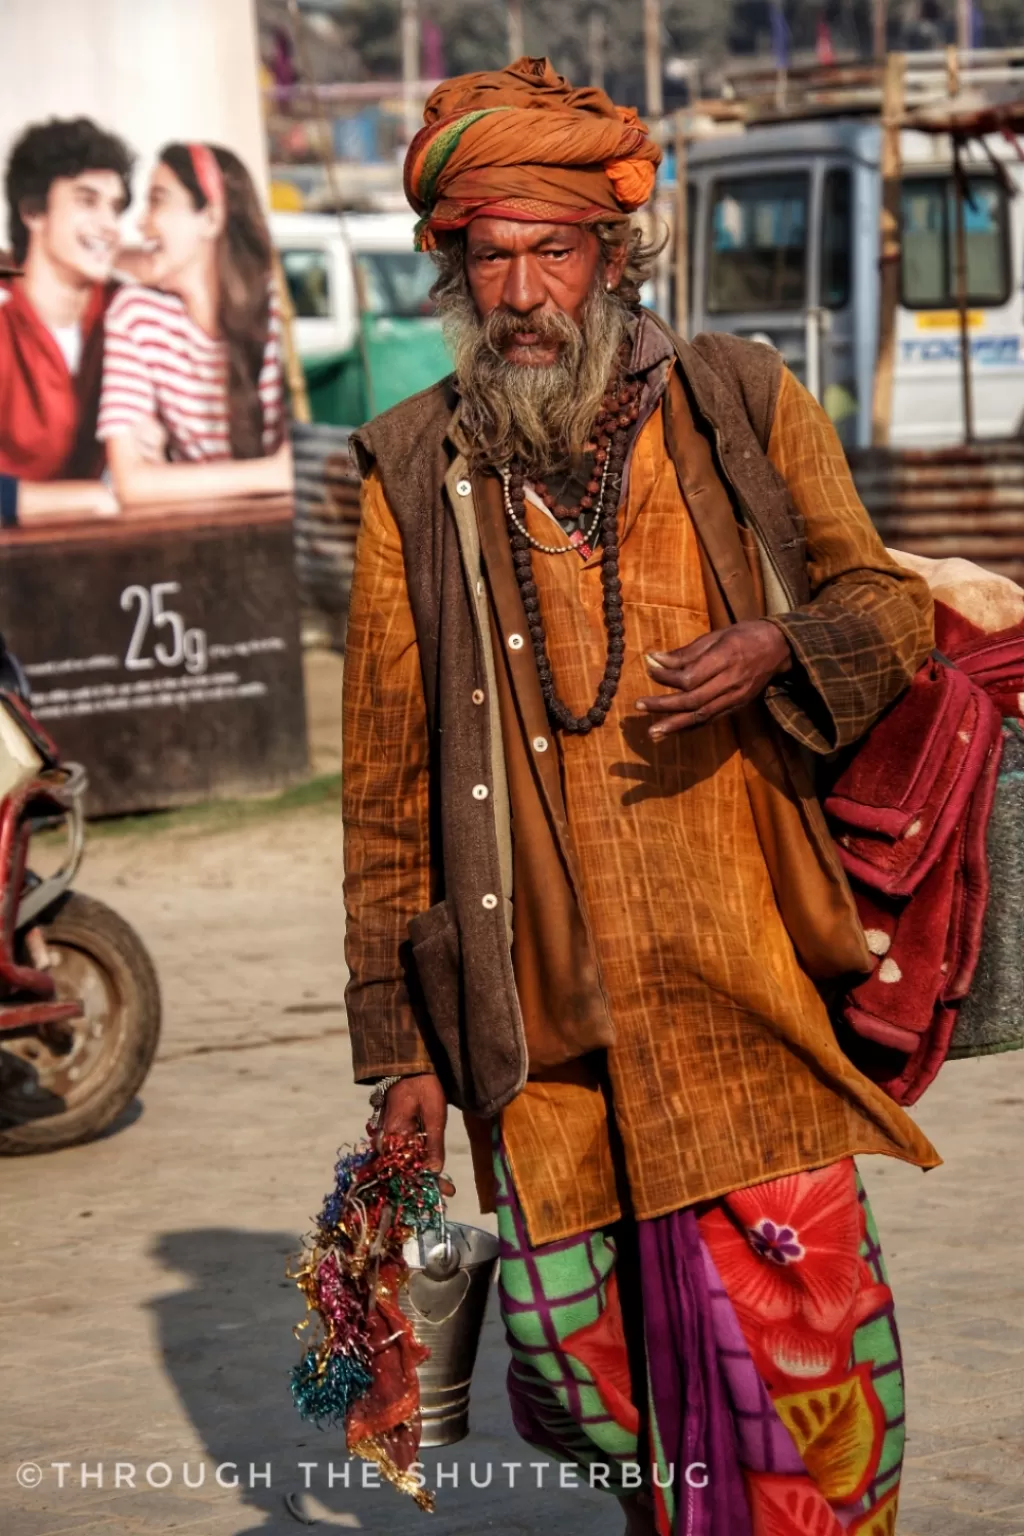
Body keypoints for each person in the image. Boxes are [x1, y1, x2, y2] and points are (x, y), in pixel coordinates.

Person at [342, 57, 940, 1536]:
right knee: (571, 1358)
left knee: (801, 1360)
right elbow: (380, 778)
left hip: (740, 977)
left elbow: (887, 604)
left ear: (614, 256)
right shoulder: (413, 468)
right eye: (494, 258)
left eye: (557, 250)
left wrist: (779, 647)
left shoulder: (736, 398)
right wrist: (394, 1040)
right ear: (455, 276)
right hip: (533, 1008)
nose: (527, 291)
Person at [97, 142, 291, 508]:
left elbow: (314, 471)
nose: (140, 222)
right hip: (197, 542)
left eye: (157, 200)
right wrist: (273, 473)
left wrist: (169, 480)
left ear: (211, 218)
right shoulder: (136, 315)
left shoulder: (278, 312)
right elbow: (131, 484)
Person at [0, 117, 133, 526]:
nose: (109, 226)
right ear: (33, 212)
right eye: (86, 201)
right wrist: (82, 499)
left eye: (114, 207)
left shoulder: (125, 312)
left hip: (106, 564)